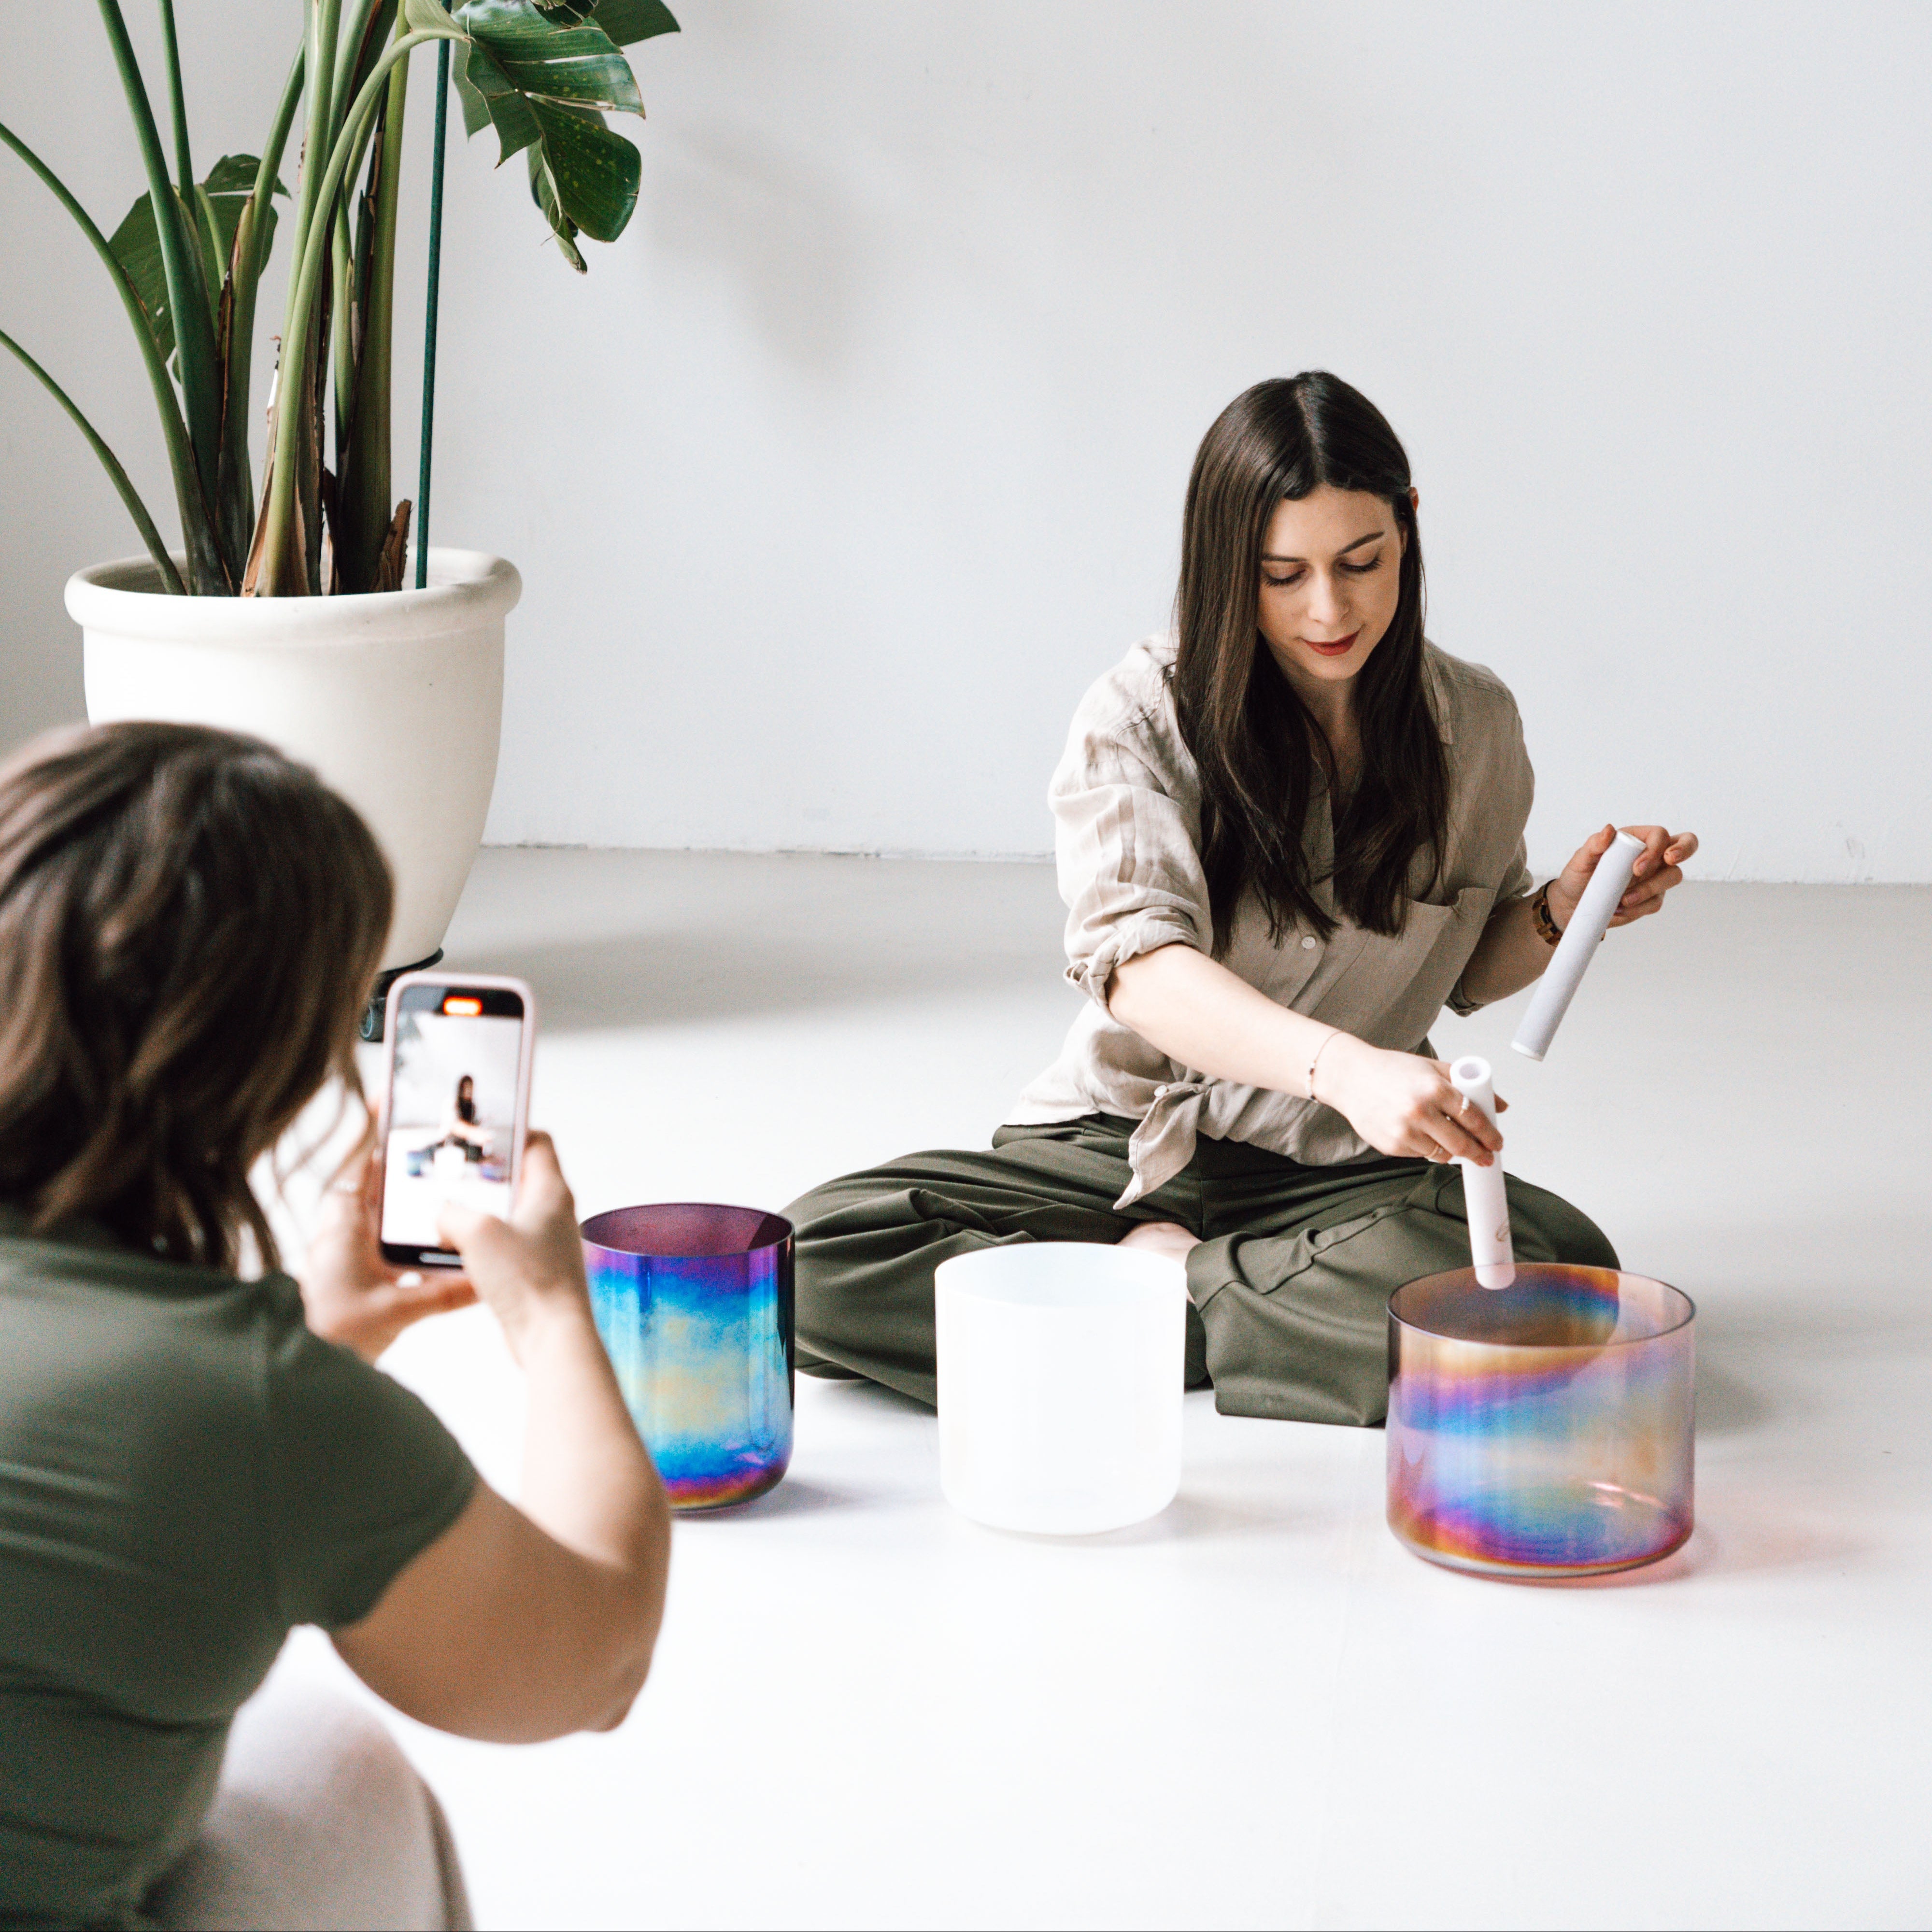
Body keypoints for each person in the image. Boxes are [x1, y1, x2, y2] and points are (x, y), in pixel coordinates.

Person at [785, 372, 1697, 1424]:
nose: (1329, 607)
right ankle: (1251, 1309)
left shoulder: (1477, 723)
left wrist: (1554, 916)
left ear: (1407, 528)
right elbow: (1138, 968)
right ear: (1228, 565)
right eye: (1282, 574)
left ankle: (1142, 1296)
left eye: (1361, 562)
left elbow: (1463, 964)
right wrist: (1342, 1067)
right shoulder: (1139, 711)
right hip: (1121, 1141)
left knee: (1564, 1264)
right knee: (807, 1254)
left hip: (1335, 1173)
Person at [0, 722, 672, 1928]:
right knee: (343, 1775)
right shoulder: (257, 1408)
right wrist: (550, 1310)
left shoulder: (247, 1401)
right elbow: (596, 1661)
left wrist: (319, 1340)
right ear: (267, 1062)